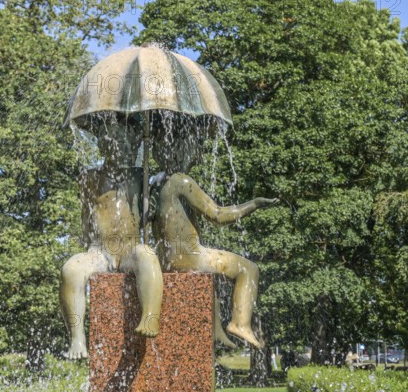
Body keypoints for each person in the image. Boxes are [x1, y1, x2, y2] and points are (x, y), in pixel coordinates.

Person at [149, 123, 279, 347]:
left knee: (210, 282)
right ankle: (240, 324)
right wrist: (254, 204)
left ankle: (216, 331)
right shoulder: (182, 181)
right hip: (189, 256)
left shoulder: (155, 183)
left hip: (165, 258)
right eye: (192, 146)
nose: (197, 152)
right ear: (178, 149)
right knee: (248, 269)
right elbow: (218, 215)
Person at [59, 118, 163, 359]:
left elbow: (148, 213)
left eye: (129, 143)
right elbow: (88, 215)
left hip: (129, 249)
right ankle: (76, 337)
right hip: (99, 251)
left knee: (147, 256)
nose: (123, 148)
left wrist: (149, 206)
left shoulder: (140, 175)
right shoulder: (90, 176)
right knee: (70, 269)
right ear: (103, 146)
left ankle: (150, 317)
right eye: (116, 142)